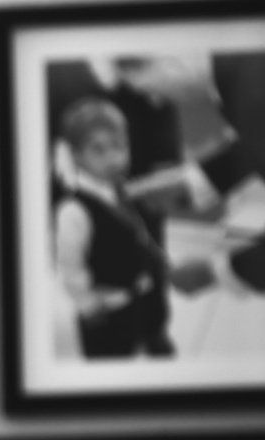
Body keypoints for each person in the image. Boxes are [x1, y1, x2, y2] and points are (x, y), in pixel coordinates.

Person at [53, 96, 180, 358]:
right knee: (110, 363)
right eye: (98, 150)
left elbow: (136, 232)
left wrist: (155, 259)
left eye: (119, 146)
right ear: (76, 156)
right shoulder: (74, 210)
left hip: (137, 299)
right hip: (105, 311)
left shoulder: (120, 189)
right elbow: (69, 263)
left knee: (137, 348)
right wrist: (86, 303)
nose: (112, 158)